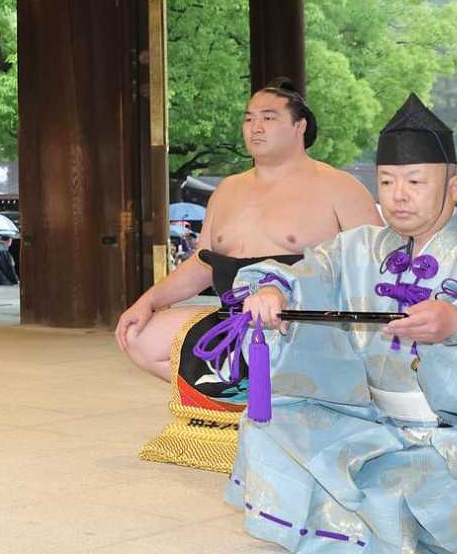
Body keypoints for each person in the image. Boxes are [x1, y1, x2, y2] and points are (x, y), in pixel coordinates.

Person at [226, 94, 457, 553]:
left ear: (453, 187)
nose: (399, 194)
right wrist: (271, 291)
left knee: (436, 494)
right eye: (387, 181)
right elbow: (301, 273)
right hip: (368, 418)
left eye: (415, 180)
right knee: (269, 422)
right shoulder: (356, 246)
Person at [118, 79, 381, 472]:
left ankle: (298, 420)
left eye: (269, 117)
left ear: (299, 126)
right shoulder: (228, 189)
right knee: (137, 335)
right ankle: (238, 414)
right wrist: (148, 300)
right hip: (232, 317)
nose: (255, 127)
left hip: (301, 322)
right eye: (249, 119)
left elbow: (373, 267)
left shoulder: (339, 187)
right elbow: (203, 264)